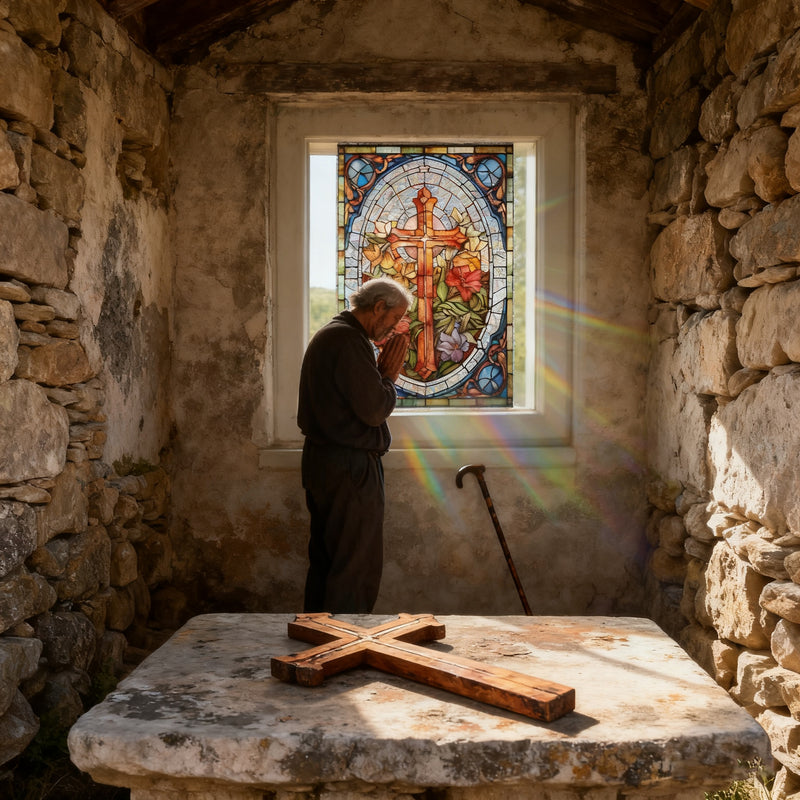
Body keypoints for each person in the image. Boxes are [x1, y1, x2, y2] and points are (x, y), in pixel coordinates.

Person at [298, 277, 412, 613]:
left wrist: (376, 376)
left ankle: (320, 638)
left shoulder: (336, 335)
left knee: (330, 561)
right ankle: (345, 644)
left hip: (327, 462)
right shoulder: (349, 340)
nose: (393, 329)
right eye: (394, 318)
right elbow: (375, 410)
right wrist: (388, 376)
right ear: (379, 307)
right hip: (348, 467)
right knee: (354, 564)